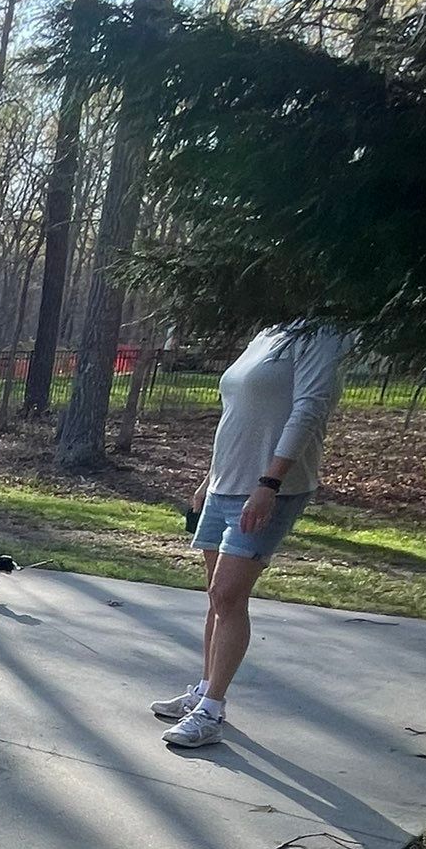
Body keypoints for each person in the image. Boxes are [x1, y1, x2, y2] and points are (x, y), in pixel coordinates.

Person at [154, 320, 347, 750]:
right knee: (215, 595)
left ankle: (212, 711)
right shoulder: (265, 333)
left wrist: (270, 483)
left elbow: (310, 408)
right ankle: (204, 690)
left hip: (269, 487)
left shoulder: (322, 334)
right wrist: (209, 480)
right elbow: (238, 416)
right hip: (226, 482)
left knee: (228, 594)